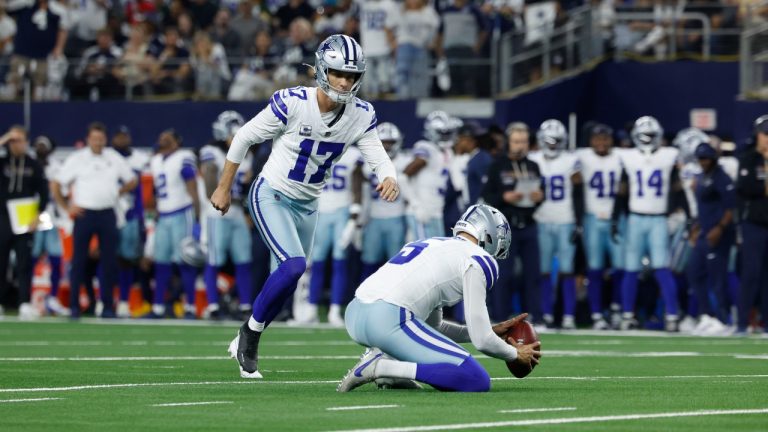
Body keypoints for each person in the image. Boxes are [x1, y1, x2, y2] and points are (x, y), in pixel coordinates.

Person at [210, 34, 399, 379]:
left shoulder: (360, 114)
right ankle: (249, 336)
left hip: (309, 203)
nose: (345, 81)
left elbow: (378, 156)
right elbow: (244, 137)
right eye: (339, 73)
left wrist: (389, 176)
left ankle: (247, 334)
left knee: (286, 279)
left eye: (352, 76)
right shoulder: (293, 102)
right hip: (272, 194)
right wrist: (223, 187)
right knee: (294, 265)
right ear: (323, 70)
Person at [337, 204, 541, 392]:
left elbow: (433, 327)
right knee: (475, 379)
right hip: (388, 319)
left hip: (356, 314)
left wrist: (491, 330)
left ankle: (390, 372)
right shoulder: (479, 259)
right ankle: (383, 366)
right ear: (490, 237)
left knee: (440, 355)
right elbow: (483, 341)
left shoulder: (431, 243)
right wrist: (515, 354)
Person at [52, 122, 137, 318]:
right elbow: (57, 183)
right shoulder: (77, 159)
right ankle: (74, 306)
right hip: (84, 214)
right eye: (94, 138)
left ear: (105, 140)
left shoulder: (113, 158)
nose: (98, 142)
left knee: (109, 263)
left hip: (107, 214)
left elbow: (132, 180)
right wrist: (66, 207)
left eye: (101, 139)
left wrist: (118, 192)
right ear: (88, 139)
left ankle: (107, 306)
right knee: (78, 261)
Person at [613, 116, 686, 332]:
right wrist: (617, 216)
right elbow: (623, 190)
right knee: (632, 269)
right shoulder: (630, 157)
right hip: (637, 217)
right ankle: (629, 314)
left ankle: (671, 314)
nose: (647, 139)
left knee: (661, 268)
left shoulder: (668, 156)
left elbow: (677, 188)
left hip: (657, 218)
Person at [482, 122, 544, 323]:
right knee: (503, 274)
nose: (520, 146)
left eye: (524, 142)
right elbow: (486, 196)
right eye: (517, 141)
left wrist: (539, 197)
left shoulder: (533, 166)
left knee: (532, 273)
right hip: (505, 227)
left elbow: (542, 194)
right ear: (509, 142)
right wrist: (504, 197)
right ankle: (501, 316)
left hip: (528, 223)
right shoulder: (497, 165)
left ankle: (535, 315)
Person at [529, 119, 583, 330]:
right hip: (541, 218)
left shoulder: (571, 160)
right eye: (549, 141)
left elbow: (578, 192)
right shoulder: (533, 159)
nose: (552, 145)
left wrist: (578, 221)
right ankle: (546, 314)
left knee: (567, 270)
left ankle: (568, 315)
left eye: (556, 141)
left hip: (565, 219)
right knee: (542, 270)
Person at [199, 111, 253, 320]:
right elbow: (210, 179)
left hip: (238, 212)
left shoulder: (247, 155)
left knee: (243, 259)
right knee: (214, 259)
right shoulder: (211, 151)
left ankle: (245, 305)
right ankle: (213, 305)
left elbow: (247, 187)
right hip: (216, 213)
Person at [306, 143, 363, 326]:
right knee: (318, 261)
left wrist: (354, 216)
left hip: (342, 210)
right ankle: (312, 309)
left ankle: (335, 310)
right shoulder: (314, 148)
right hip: (320, 210)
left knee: (339, 261)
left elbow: (357, 182)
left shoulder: (352, 154)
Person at [147, 129, 200, 319]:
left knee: (185, 261)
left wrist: (197, 216)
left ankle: (190, 307)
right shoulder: (155, 160)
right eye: (161, 138)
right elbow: (156, 191)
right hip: (164, 215)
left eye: (167, 139)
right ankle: (159, 307)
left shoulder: (183, 156)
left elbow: (192, 186)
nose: (163, 142)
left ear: (177, 142)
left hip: (182, 212)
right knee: (161, 263)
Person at [576, 123, 624, 329]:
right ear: (591, 141)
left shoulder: (622, 156)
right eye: (598, 138)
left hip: (615, 219)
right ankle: (596, 314)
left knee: (621, 268)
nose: (602, 143)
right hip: (592, 218)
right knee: (594, 269)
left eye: (605, 138)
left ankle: (616, 309)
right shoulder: (582, 156)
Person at [686, 141, 735, 336]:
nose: (703, 161)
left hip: (719, 234)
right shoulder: (702, 176)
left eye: (706, 158)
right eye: (700, 158)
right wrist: (697, 227)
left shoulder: (721, 178)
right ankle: (707, 315)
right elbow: (703, 209)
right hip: (705, 232)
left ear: (713, 158)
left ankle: (725, 319)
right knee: (694, 272)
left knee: (718, 277)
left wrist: (720, 228)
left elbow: (731, 207)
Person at [0, 125, 48, 319]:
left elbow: (44, 193)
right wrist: (4, 139)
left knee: (24, 262)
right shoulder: (2, 161)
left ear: (27, 142)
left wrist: (38, 215)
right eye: (13, 140)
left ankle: (24, 303)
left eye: (19, 140)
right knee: (1, 262)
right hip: (2, 216)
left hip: (24, 218)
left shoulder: (33, 164)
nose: (15, 144)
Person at [360, 122, 409, 281]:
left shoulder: (406, 161)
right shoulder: (367, 163)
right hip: (374, 218)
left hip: (397, 217)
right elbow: (363, 193)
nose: (387, 146)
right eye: (384, 142)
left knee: (397, 265)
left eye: (390, 142)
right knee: (369, 263)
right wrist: (361, 220)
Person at [735, 115, 768, 335]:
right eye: (765, 134)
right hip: (754, 223)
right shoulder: (748, 158)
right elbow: (747, 187)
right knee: (751, 273)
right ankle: (741, 323)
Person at [112, 126, 150, 318]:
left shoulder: (139, 159)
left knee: (127, 261)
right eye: (119, 136)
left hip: (129, 216)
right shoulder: (107, 158)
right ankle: (106, 301)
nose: (122, 139)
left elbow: (141, 194)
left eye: (124, 136)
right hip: (108, 214)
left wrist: (140, 217)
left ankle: (124, 301)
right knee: (107, 261)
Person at [403, 111, 456, 240]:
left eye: (448, 133)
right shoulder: (426, 148)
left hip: (436, 211)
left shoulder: (447, 152)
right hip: (422, 211)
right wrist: (416, 205)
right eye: (442, 133)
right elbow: (402, 177)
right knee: (423, 252)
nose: (445, 137)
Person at [30, 135, 68, 316]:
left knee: (55, 257)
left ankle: (52, 297)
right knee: (29, 257)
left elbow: (63, 190)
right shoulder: (28, 163)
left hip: (49, 214)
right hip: (29, 214)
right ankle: (28, 298)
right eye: (38, 145)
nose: (41, 148)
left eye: (44, 146)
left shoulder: (56, 166)